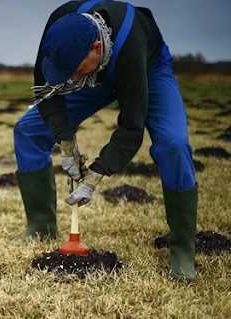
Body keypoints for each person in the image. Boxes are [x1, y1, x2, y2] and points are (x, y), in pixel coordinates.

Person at [13, 0, 198, 281]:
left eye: (72, 71)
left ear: (96, 48)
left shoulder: (131, 43)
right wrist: (66, 145)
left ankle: (183, 248)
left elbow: (132, 128)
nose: (69, 79)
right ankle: (41, 227)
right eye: (65, 73)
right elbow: (46, 92)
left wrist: (94, 177)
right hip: (93, 75)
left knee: (172, 144)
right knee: (27, 130)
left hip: (146, 70)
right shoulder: (60, 27)